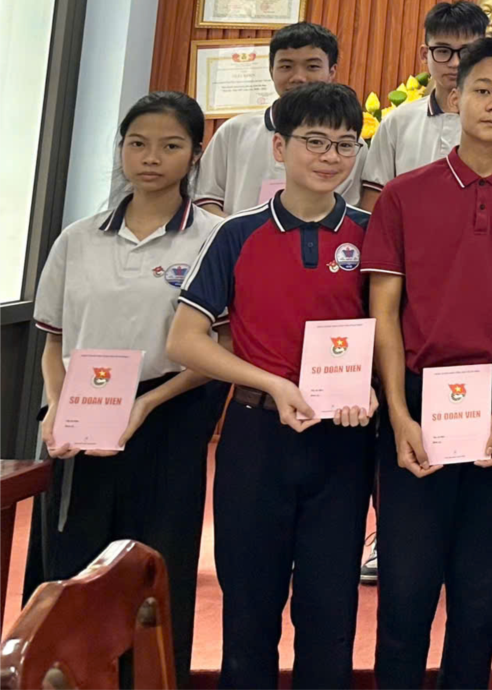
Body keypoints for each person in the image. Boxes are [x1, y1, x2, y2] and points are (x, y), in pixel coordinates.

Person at [360, 36, 492, 690]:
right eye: (482, 90)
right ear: (454, 97)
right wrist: (397, 414)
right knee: (406, 591)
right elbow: (384, 312)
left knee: (479, 597)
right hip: (417, 405)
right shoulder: (404, 195)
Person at [166, 82, 376, 690]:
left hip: (343, 440)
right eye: (315, 141)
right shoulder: (236, 233)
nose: (330, 156)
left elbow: (392, 332)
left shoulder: (372, 233)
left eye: (345, 144)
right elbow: (185, 341)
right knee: (249, 611)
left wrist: (373, 390)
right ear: (280, 147)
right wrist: (272, 384)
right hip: (257, 437)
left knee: (330, 614)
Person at [28, 91, 222, 689]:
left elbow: (221, 347)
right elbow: (54, 342)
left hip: (168, 412)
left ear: (195, 154)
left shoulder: (214, 238)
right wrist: (56, 406)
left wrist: (148, 403)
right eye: (137, 144)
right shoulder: (78, 238)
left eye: (170, 145)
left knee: (156, 570)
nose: (151, 158)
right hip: (82, 416)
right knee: (73, 565)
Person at [193, 21, 363, 214]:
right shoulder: (235, 131)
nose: (298, 77)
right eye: (286, 66)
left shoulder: (350, 143)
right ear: (271, 70)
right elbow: (204, 197)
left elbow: (351, 209)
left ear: (332, 72)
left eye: (312, 66)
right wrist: (240, 230)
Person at [361, 0, 490, 210]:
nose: (455, 63)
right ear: (424, 54)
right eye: (443, 51)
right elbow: (374, 197)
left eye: (467, 52)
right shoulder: (398, 121)